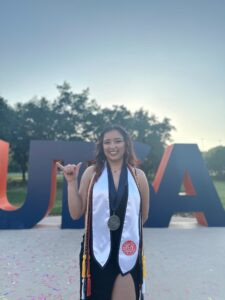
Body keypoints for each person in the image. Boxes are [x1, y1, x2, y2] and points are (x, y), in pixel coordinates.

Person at [57, 125, 150, 300]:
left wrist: (125, 231)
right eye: (107, 142)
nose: (112, 146)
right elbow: (76, 213)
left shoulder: (139, 177)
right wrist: (71, 182)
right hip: (97, 249)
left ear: (126, 144)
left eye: (117, 141)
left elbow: (142, 217)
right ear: (101, 146)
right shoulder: (92, 174)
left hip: (127, 249)